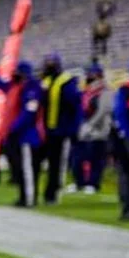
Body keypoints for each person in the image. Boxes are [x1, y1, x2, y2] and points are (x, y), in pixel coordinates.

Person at [0, 59, 43, 206]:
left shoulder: (32, 89)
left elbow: (29, 113)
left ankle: (28, 197)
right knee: (18, 168)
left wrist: (14, 128)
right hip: (14, 135)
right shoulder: (13, 86)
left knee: (27, 169)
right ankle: (23, 196)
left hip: (26, 135)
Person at [41, 53, 82, 204]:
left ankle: (54, 192)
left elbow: (75, 106)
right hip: (46, 130)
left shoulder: (66, 81)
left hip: (61, 130)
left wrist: (74, 128)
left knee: (58, 164)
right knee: (49, 163)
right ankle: (47, 192)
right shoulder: (45, 81)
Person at [73, 64, 110, 193]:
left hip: (98, 129)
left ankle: (93, 183)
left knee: (95, 158)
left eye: (92, 74)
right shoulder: (86, 91)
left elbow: (102, 111)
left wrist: (90, 125)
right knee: (78, 157)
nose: (89, 76)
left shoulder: (104, 91)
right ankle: (79, 182)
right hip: (84, 127)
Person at [112, 71, 129, 220]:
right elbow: (120, 114)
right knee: (126, 172)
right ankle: (127, 208)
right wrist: (126, 134)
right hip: (127, 136)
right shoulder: (125, 90)